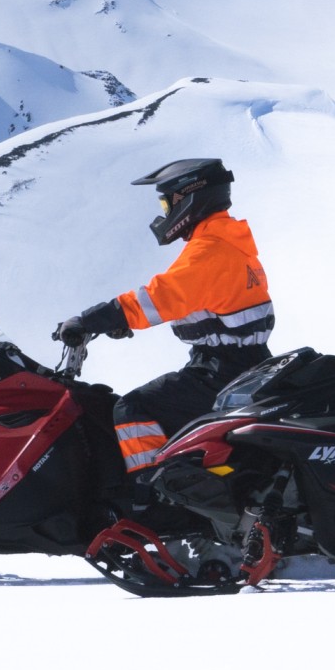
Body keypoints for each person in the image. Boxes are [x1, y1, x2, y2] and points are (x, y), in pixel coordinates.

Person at [55, 157, 275, 482]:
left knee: (132, 409)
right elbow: (199, 300)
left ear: (189, 197)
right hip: (243, 367)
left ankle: (153, 495)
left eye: (167, 201)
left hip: (220, 373)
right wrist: (122, 322)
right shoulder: (231, 244)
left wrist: (90, 320)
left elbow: (159, 297)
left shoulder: (209, 251)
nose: (166, 211)